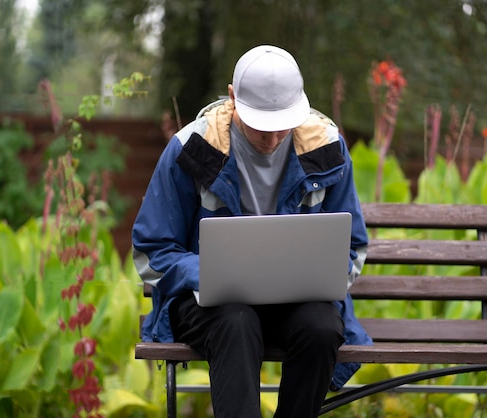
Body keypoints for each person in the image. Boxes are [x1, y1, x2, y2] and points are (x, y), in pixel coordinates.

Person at [132, 45, 372, 418]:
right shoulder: (191, 149)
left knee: (322, 327)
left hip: (294, 306)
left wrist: (328, 275)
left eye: (282, 126)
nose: (272, 139)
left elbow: (352, 247)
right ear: (232, 97)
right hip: (211, 308)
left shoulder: (328, 148)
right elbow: (151, 248)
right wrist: (208, 274)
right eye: (261, 126)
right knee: (237, 320)